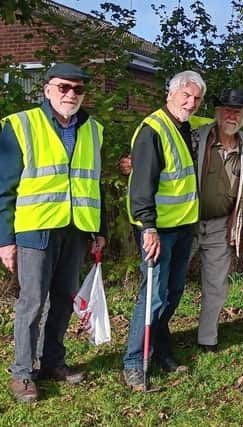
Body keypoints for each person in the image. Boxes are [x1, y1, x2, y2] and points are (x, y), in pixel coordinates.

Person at [0, 63, 105, 403]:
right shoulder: (21, 125)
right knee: (31, 303)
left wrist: (97, 230)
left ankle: (52, 362)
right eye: (63, 87)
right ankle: (22, 374)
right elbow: (4, 189)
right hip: (35, 229)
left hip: (75, 229)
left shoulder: (93, 129)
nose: (70, 94)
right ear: (47, 89)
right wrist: (4, 239)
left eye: (77, 89)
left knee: (64, 299)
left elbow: (93, 183)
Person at [122, 70, 205, 391]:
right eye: (185, 95)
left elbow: (219, 120)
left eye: (196, 98)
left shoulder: (186, 126)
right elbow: (141, 187)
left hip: (183, 226)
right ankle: (133, 361)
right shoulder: (152, 131)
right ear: (169, 93)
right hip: (157, 231)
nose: (191, 102)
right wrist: (148, 228)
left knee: (172, 294)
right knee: (153, 296)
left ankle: (158, 349)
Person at [190, 88, 243, 353]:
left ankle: (208, 338)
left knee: (216, 285)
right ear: (218, 113)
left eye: (237, 112)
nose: (232, 116)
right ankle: (158, 336)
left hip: (221, 225)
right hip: (188, 221)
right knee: (169, 282)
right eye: (227, 110)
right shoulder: (197, 139)